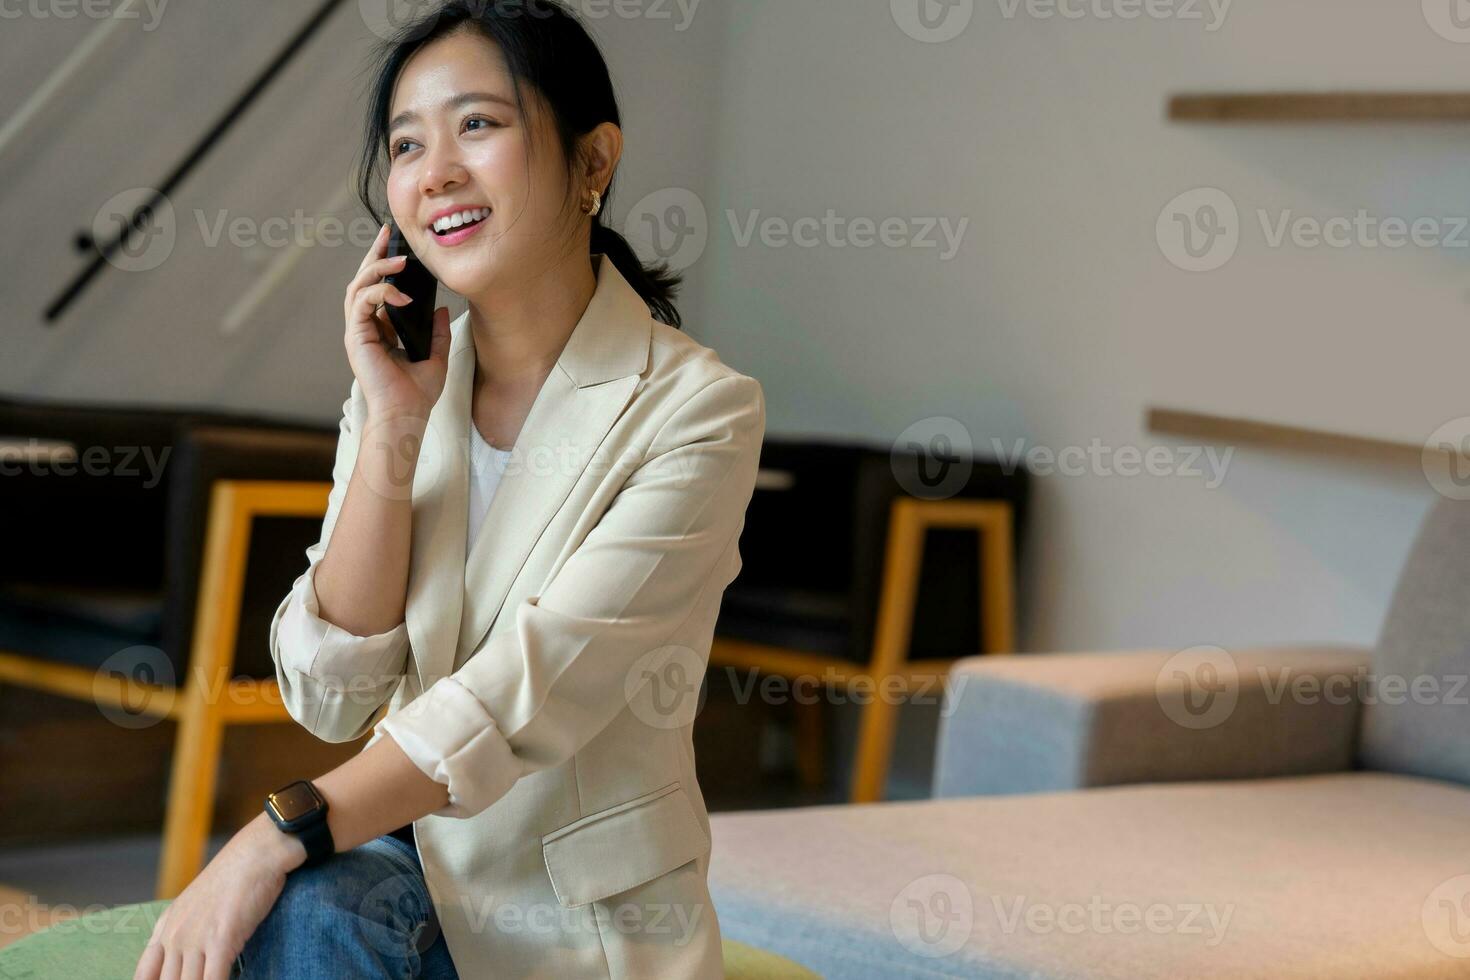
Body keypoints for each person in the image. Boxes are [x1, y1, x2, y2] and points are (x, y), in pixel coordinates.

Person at [132, 2, 764, 977]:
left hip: (567, 914)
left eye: (479, 124)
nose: (437, 172)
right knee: (307, 911)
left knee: (286, 884)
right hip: (402, 860)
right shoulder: (404, 382)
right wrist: (392, 422)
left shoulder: (699, 410)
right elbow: (328, 690)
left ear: (593, 161)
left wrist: (272, 831)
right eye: (407, 143)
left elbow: (529, 686)